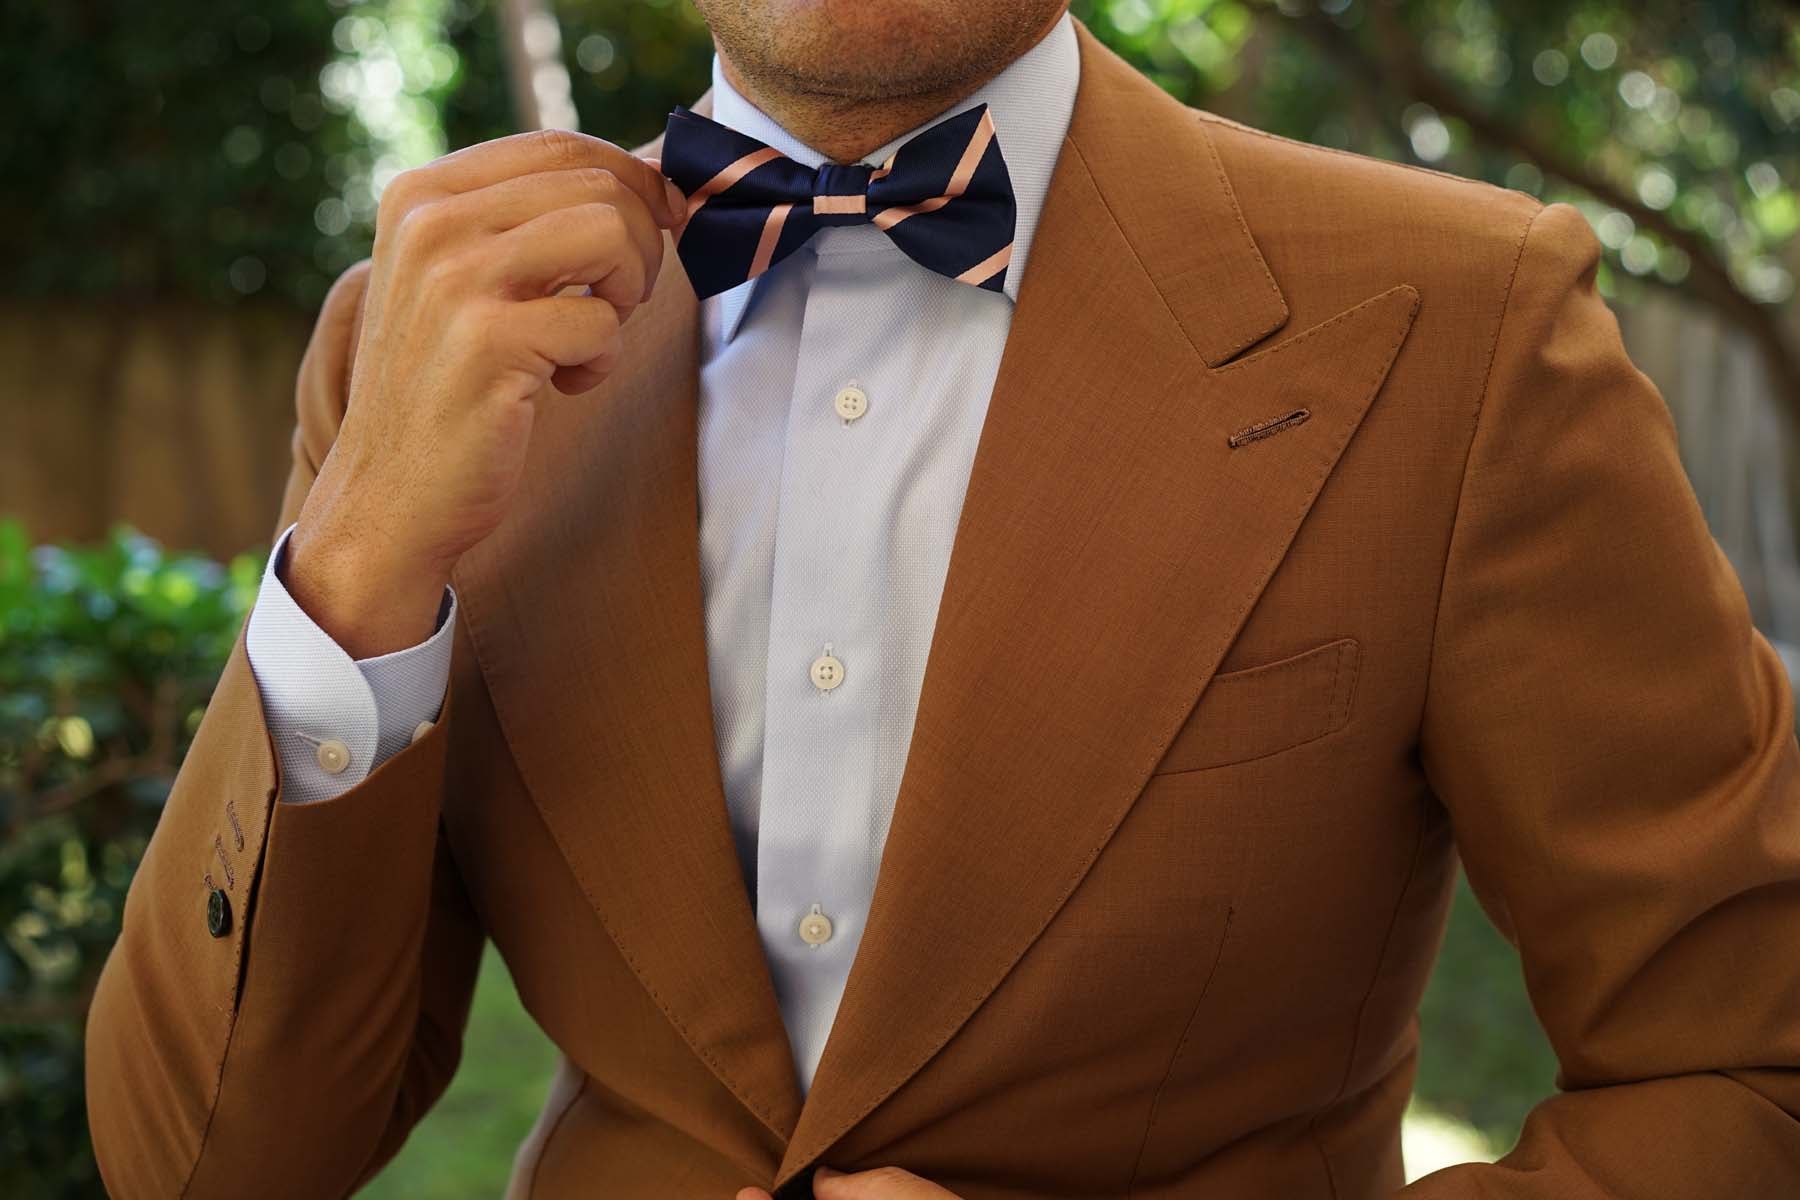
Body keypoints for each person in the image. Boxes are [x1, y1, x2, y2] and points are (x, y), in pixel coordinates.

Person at [85, 1, 1800, 1197]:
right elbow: (209, 1167)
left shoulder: (1466, 319)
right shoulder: (415, 346)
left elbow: (1744, 1074)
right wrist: (362, 563)